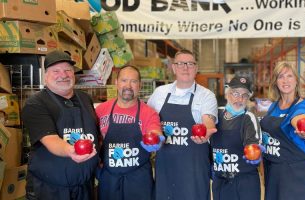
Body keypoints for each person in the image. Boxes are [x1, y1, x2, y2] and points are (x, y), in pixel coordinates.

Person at [21, 50, 99, 200]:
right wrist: (70, 150)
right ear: (45, 76)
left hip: (84, 188)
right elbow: (51, 140)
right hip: (50, 190)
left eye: (68, 70)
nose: (63, 75)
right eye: (56, 71)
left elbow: (95, 132)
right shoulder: (36, 104)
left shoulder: (85, 99)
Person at [147, 49, 218, 200]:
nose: (185, 67)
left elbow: (208, 120)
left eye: (190, 64)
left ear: (196, 68)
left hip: (194, 172)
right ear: (173, 68)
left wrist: (205, 131)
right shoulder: (159, 94)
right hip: (165, 170)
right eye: (180, 63)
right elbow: (149, 122)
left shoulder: (206, 95)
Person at [95, 66, 163, 200]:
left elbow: (154, 130)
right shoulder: (101, 110)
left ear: (140, 85)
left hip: (138, 180)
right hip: (109, 179)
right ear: (116, 83)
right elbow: (94, 139)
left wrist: (156, 139)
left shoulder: (149, 112)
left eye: (133, 81)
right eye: (124, 80)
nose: (128, 86)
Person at [260, 62, 305, 200]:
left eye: (289, 76)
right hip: (273, 172)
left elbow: (299, 117)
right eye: (281, 76)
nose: (285, 80)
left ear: (296, 80)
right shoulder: (274, 106)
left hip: (295, 175)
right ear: (275, 82)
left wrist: (303, 127)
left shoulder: (302, 107)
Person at [210, 76, 264, 200]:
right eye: (235, 93)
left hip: (244, 184)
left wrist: (255, 153)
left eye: (244, 95)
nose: (239, 99)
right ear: (227, 94)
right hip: (220, 182)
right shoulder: (215, 114)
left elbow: (252, 145)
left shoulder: (248, 118)